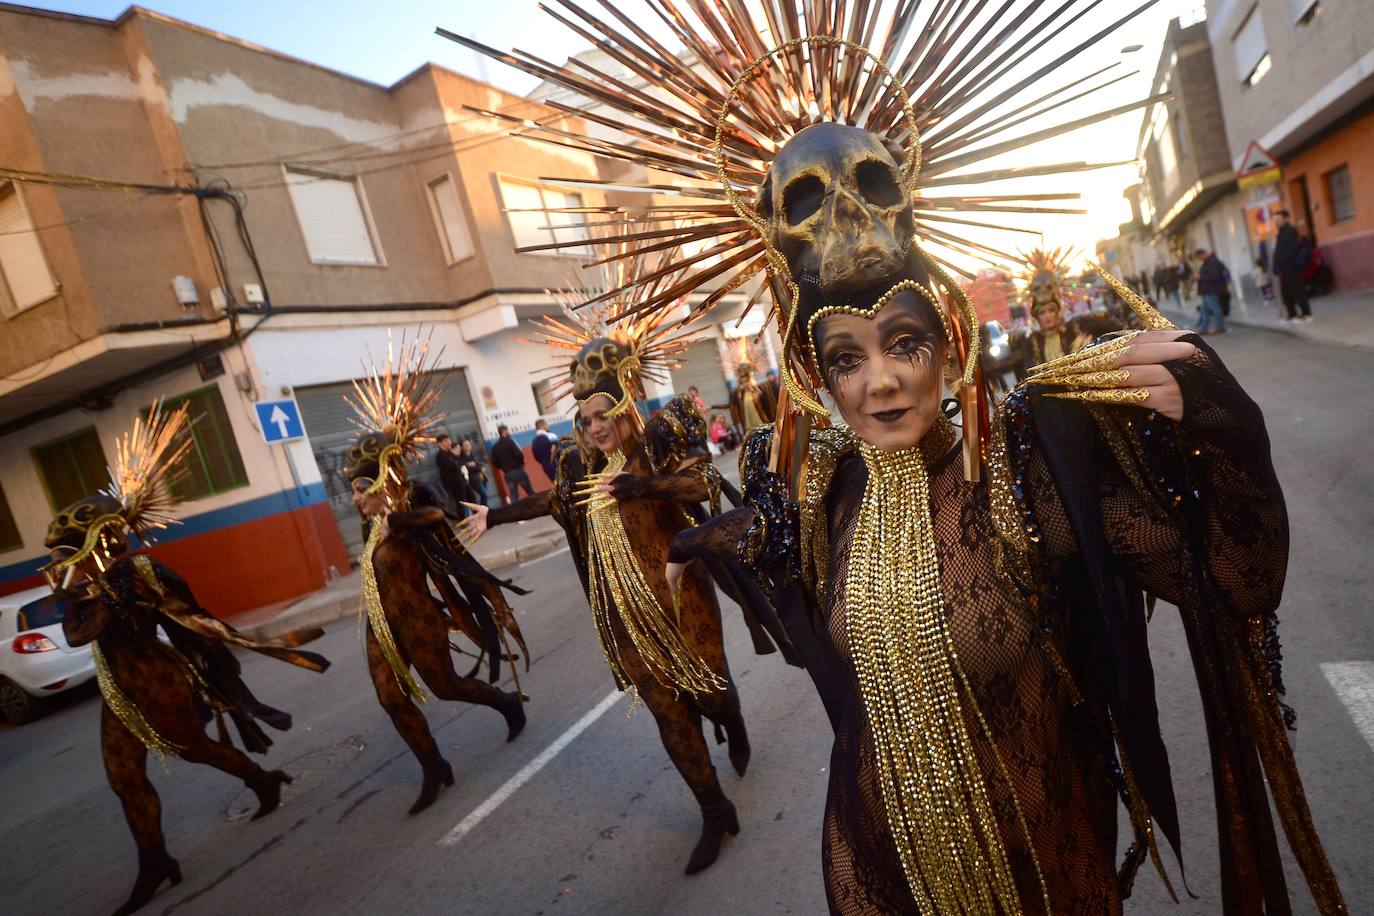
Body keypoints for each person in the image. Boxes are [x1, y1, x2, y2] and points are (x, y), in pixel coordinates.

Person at [460, 9, 1346, 913]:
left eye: (903, 344)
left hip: (1046, 879)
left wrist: (1233, 436)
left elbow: (1238, 580)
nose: (879, 383)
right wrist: (696, 536)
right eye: (847, 358)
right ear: (817, 376)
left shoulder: (1030, 477)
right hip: (886, 876)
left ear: (947, 338)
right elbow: (833, 683)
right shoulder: (819, 501)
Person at [461, 263, 793, 876]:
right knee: (669, 714)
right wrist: (497, 515)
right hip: (627, 618)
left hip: (683, 599)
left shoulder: (660, 440)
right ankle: (715, 811)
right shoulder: (576, 469)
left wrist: (636, 483)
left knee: (711, 694)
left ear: (626, 402)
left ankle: (734, 716)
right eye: (584, 419)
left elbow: (696, 483)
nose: (594, 427)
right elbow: (553, 504)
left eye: (602, 414)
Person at [41, 401, 330, 916]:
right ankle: (155, 862)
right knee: (125, 779)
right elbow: (77, 634)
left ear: (101, 543)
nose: (70, 566)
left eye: (75, 555)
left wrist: (235, 651)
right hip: (118, 696)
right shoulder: (85, 594)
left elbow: (193, 618)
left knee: (199, 750)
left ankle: (261, 780)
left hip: (160, 685)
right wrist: (81, 595)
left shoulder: (143, 575)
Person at [342, 345, 529, 815]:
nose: (356, 500)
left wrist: (398, 524)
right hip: (378, 629)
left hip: (417, 621)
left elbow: (436, 514)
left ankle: (506, 702)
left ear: (383, 482)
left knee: (446, 687)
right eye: (352, 492)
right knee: (390, 698)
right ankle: (433, 767)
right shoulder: (368, 525)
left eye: (361, 490)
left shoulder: (410, 509)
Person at [1271, 209, 1314, 322]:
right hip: (1283, 269)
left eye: (1279, 219)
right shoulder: (1281, 233)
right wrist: (1277, 267)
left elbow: (1292, 250)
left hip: (1291, 268)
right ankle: (1292, 315)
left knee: (1297, 291)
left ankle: (1307, 314)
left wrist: (1283, 262)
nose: (1277, 222)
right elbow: (1279, 252)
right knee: (1286, 294)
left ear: (1286, 218)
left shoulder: (1290, 231)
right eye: (1275, 220)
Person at [490, 424, 535, 502]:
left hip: (507, 473)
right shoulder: (510, 442)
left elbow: (494, 463)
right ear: (504, 431)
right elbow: (519, 454)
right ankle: (537, 507)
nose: (508, 432)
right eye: (507, 430)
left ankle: (514, 511)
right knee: (530, 491)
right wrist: (521, 463)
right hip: (518, 470)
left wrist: (503, 467)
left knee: (514, 495)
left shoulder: (495, 447)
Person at [1194, 247, 1230, 335]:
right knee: (1204, 310)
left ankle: (1220, 326)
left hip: (1211, 289)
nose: (1199, 259)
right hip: (1206, 290)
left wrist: (1200, 277)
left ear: (1202, 254)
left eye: (1199, 257)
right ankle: (1203, 328)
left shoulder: (1212, 262)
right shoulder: (1207, 262)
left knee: (1215, 308)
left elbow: (1214, 276)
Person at [434, 434, 471, 516]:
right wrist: (457, 462)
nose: (449, 442)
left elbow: (461, 462)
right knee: (461, 503)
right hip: (454, 483)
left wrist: (456, 457)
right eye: (446, 441)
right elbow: (454, 466)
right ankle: (464, 522)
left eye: (449, 440)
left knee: (471, 497)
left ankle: (477, 517)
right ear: (440, 444)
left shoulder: (450, 453)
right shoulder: (441, 456)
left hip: (461, 480)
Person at [458, 438, 489, 505]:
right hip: (474, 480)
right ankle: (483, 510)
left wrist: (479, 467)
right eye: (465, 445)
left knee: (485, 495)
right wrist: (479, 468)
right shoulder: (461, 457)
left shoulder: (472, 454)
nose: (468, 446)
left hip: (481, 477)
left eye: (468, 444)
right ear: (462, 447)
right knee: (484, 495)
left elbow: (477, 464)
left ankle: (485, 509)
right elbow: (467, 467)